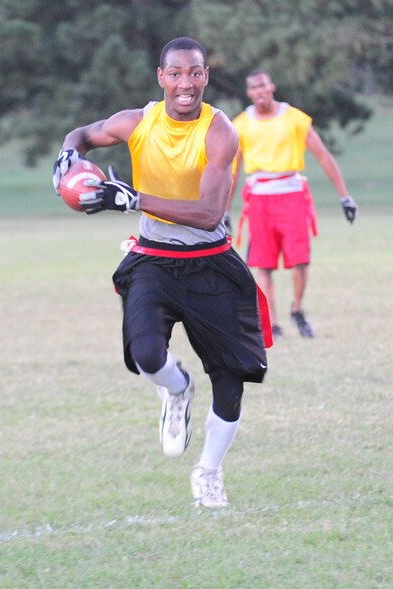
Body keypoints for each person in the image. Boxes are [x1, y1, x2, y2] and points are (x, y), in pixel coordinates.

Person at [52, 37, 269, 508]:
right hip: (154, 257)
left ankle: (208, 472)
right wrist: (67, 156)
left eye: (195, 73)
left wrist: (134, 198)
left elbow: (209, 214)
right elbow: (83, 134)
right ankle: (177, 389)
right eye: (175, 74)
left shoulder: (220, 131)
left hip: (210, 260)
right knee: (147, 354)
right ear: (161, 78)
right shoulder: (137, 121)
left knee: (232, 378)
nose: (185, 84)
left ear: (206, 76)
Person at [230, 70, 357, 339]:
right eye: (254, 87)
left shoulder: (294, 118)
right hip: (260, 196)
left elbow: (323, 155)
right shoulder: (241, 124)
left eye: (263, 85)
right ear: (249, 92)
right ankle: (272, 322)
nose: (259, 91)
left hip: (291, 193)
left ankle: (297, 309)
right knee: (263, 264)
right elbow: (232, 169)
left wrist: (344, 196)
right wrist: (224, 209)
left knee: (300, 259)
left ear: (272, 86)